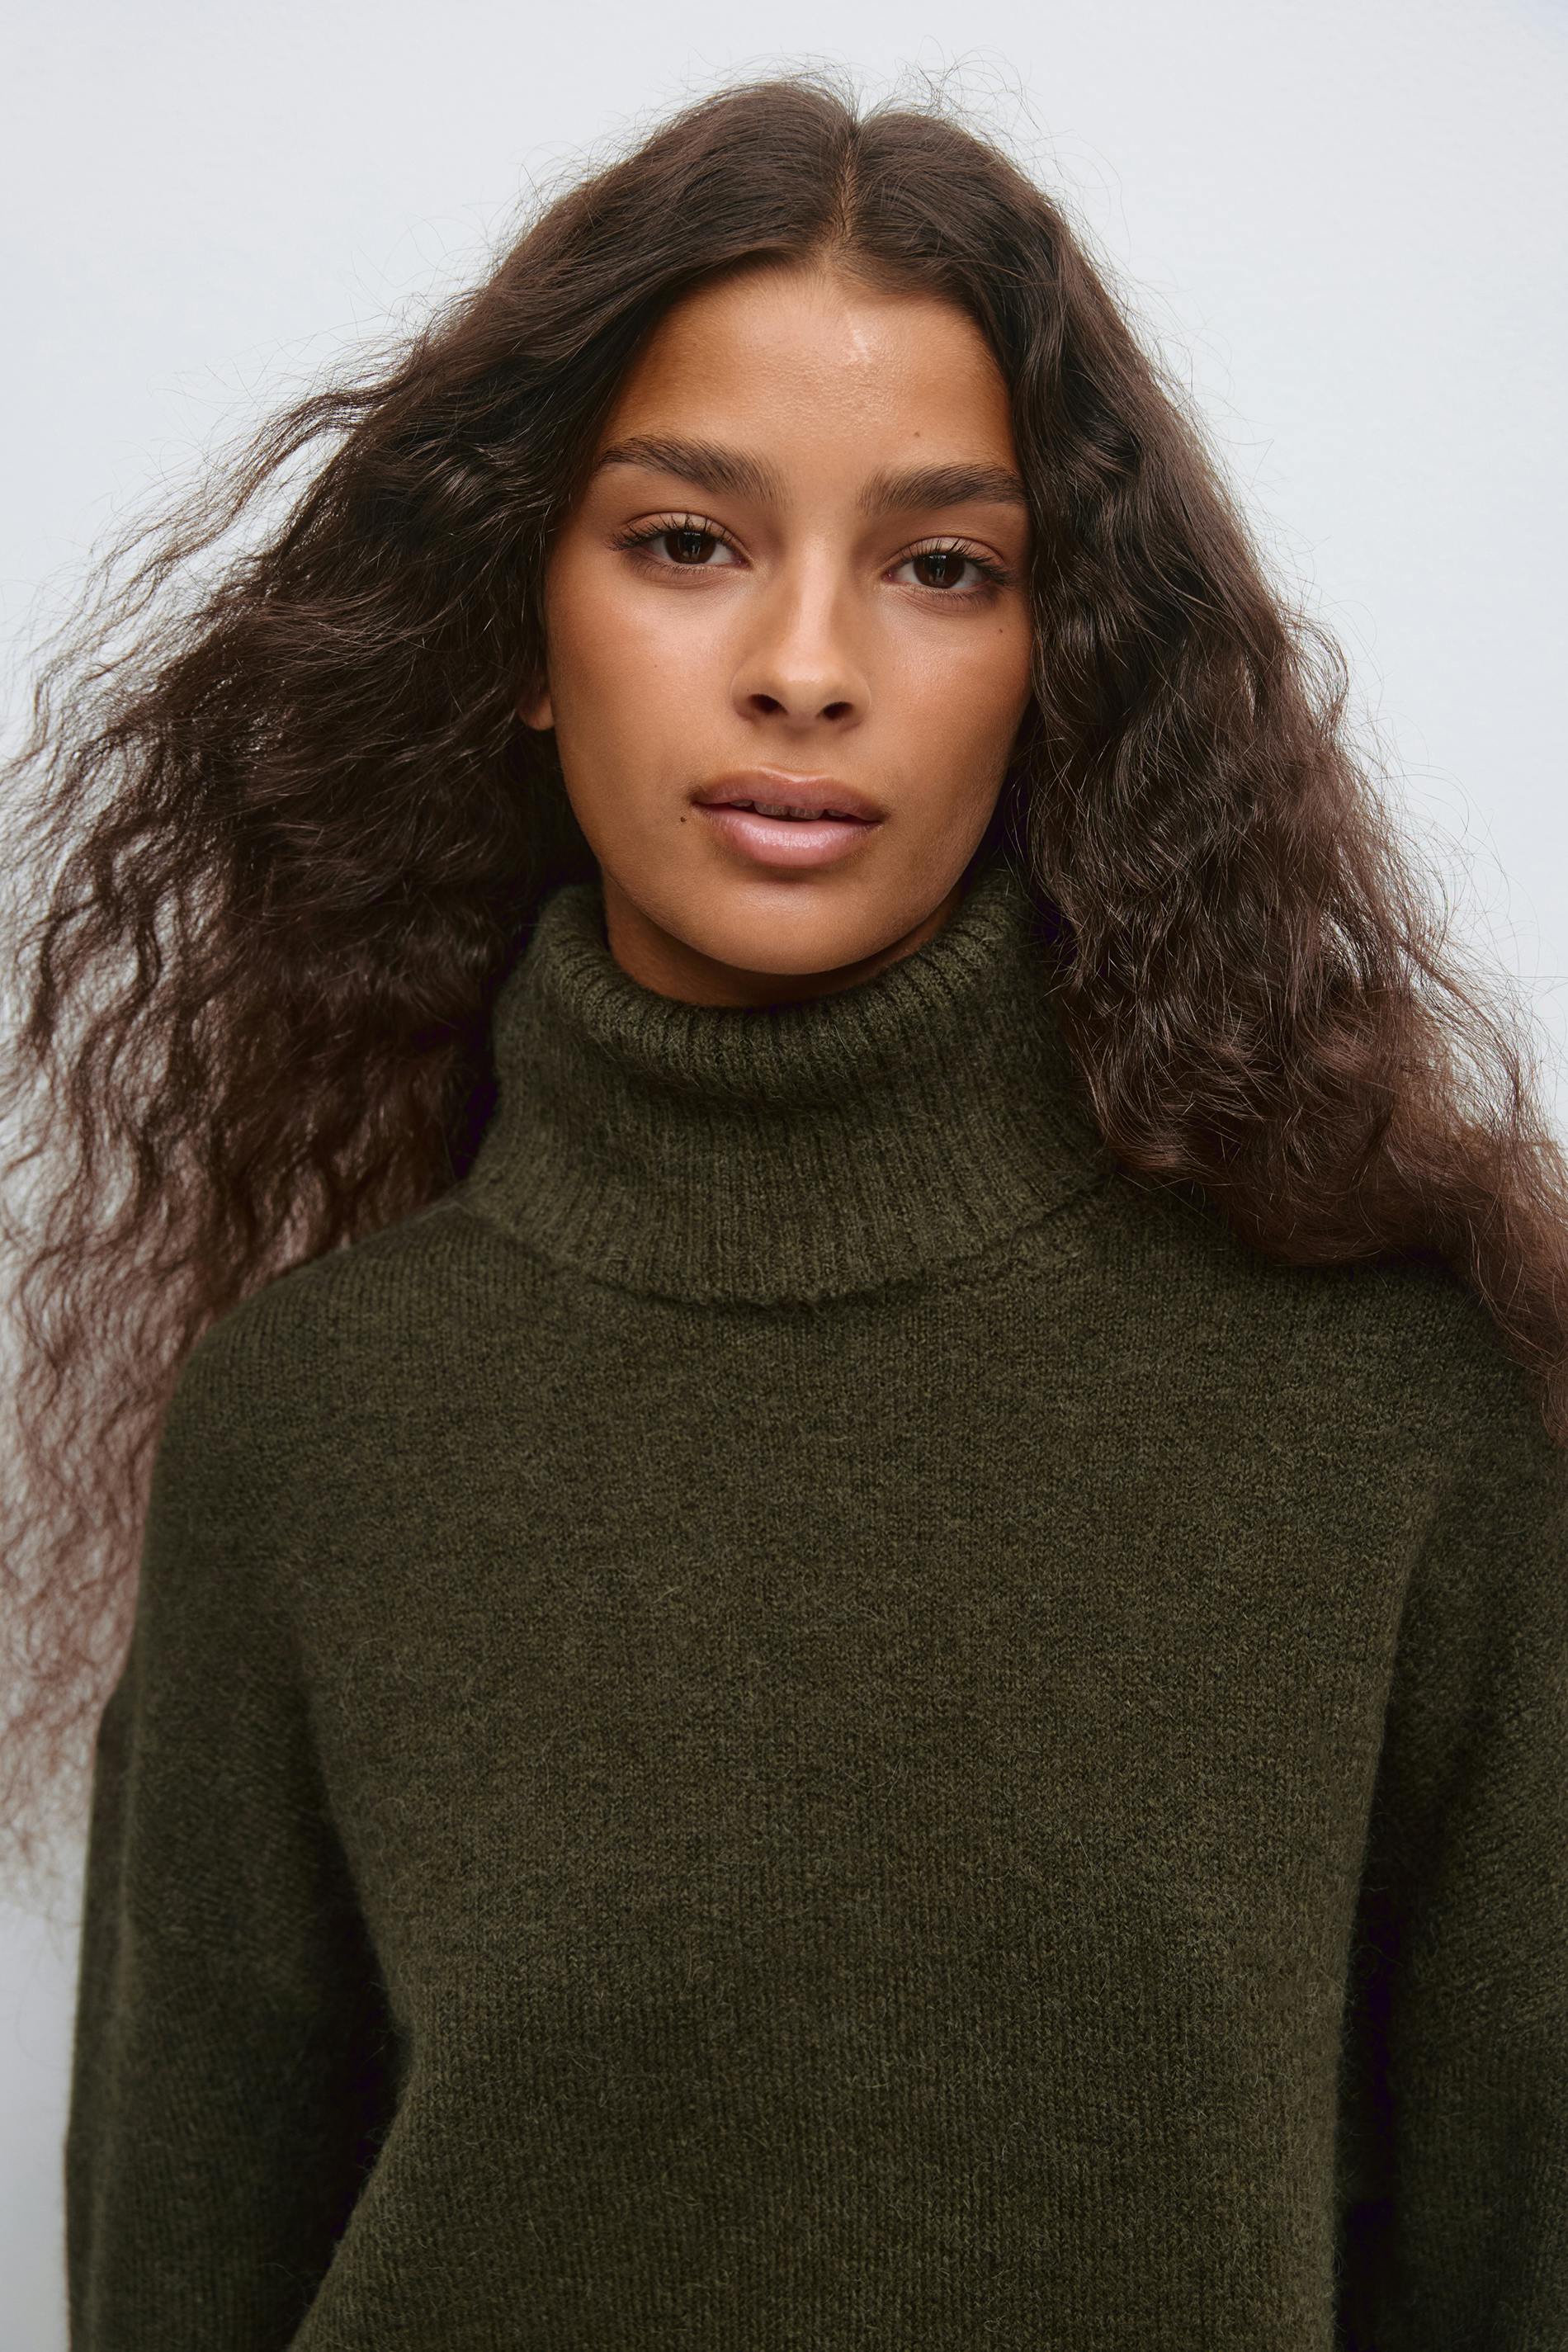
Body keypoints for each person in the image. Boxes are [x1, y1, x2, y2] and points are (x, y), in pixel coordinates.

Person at [2, 65, 1564, 2352]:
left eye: (942, 567)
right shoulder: (315, 1433)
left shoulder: (1399, 1421)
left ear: (1062, 664)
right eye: (684, 542)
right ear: (518, 631)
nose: (806, 667)